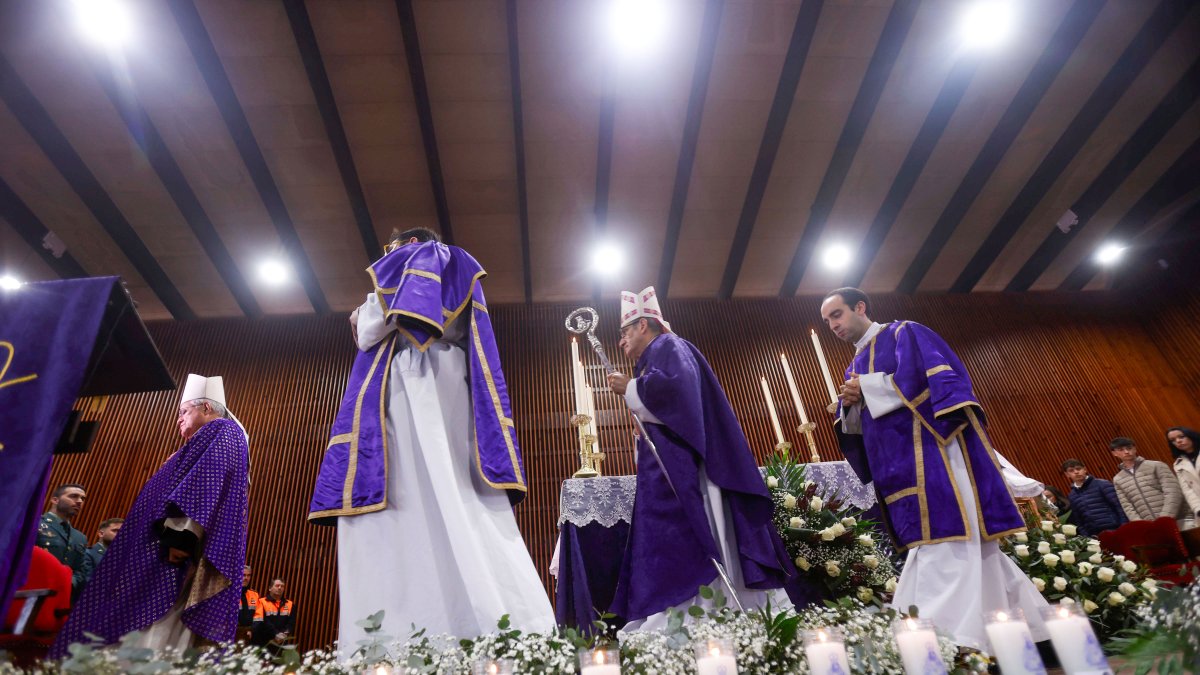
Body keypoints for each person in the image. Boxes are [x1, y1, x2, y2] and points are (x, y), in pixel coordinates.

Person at [309, 228, 552, 650]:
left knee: (444, 495)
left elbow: (368, 326)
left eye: (393, 251)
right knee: (428, 506)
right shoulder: (455, 270)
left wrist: (368, 314)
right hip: (419, 390)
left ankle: (449, 631)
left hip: (422, 389)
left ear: (407, 246)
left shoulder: (435, 257)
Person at [819, 287, 1048, 652]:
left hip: (934, 454)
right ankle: (1016, 634)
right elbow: (858, 426)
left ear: (860, 307)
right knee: (955, 547)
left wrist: (868, 387)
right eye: (827, 320)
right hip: (896, 467)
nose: (833, 324)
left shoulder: (903, 333)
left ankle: (950, 641)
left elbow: (938, 381)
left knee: (948, 540)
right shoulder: (852, 367)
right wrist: (849, 406)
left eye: (837, 314)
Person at [604, 286, 792, 629]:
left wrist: (630, 389)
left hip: (694, 477)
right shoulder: (657, 357)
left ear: (644, 326)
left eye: (624, 333)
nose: (621, 342)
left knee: (695, 543)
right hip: (678, 470)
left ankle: (705, 619)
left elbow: (679, 395)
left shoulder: (668, 346)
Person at [51, 375, 250, 656]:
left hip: (172, 550)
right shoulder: (204, 439)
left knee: (153, 621)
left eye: (183, 412)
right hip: (164, 546)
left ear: (206, 407)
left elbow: (205, 483)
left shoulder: (221, 430)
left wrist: (180, 539)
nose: (178, 420)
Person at [1109, 437, 1184, 524]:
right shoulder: (1118, 479)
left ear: (1135, 448)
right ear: (1114, 453)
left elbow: (1173, 492)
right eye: (1121, 449)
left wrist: (1165, 519)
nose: (1126, 452)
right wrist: (1141, 525)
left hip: (1176, 520)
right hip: (1150, 527)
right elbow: (1127, 505)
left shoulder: (1156, 466)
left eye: (1129, 448)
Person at [36, 484, 90, 602]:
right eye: (74, 496)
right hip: (31, 591)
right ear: (55, 500)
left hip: (60, 598)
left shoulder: (80, 537)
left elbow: (80, 570)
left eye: (83, 498)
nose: (80, 501)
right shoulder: (35, 524)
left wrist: (67, 583)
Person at [1061, 459, 1127, 536]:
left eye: (1078, 469)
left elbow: (1119, 507)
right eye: (1071, 470)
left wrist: (1124, 527)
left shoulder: (1102, 484)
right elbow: (1079, 521)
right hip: (1095, 536)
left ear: (1085, 469)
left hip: (1116, 529)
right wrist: (1087, 537)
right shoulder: (1072, 496)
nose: (1076, 472)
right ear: (1067, 474)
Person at [1167, 426, 1200, 529]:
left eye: (1181, 437)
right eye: (1173, 440)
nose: (1178, 441)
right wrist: (1197, 508)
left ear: (1191, 436)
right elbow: (1187, 490)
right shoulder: (1178, 463)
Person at [250, 578, 294, 654]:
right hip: (263, 642)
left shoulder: (290, 604)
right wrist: (275, 634)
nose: (280, 588)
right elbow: (262, 621)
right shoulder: (261, 602)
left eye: (282, 586)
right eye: (277, 585)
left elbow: (291, 623)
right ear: (270, 588)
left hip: (281, 643)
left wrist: (284, 634)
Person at [83, 518, 124, 584]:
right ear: (101, 533)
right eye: (115, 531)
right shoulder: (88, 553)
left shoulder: (123, 557)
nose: (120, 534)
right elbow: (86, 581)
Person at [238, 565, 259, 641]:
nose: (246, 578)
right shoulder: (231, 594)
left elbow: (259, 616)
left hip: (249, 633)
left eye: (248, 575)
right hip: (233, 631)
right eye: (243, 575)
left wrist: (252, 629)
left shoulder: (255, 594)